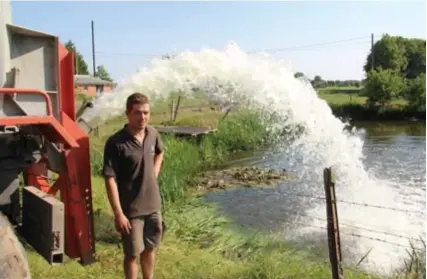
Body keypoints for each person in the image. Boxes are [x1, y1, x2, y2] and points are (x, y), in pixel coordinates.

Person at [102, 92, 165, 279]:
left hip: (153, 206)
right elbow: (109, 178)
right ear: (128, 114)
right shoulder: (116, 142)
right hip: (131, 210)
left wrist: (154, 173)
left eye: (146, 112)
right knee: (132, 254)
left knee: (150, 248)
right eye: (137, 113)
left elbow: (160, 152)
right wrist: (118, 214)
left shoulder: (152, 134)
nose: (142, 117)